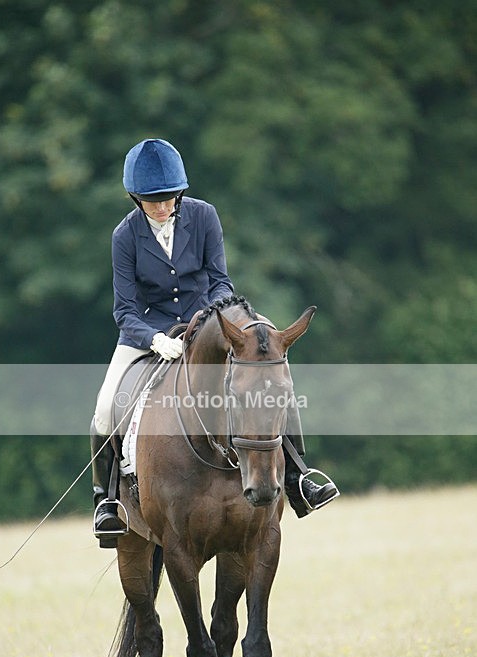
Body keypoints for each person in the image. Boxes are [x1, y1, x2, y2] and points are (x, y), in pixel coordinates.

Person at [91, 138, 337, 547]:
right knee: (104, 407)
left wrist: (210, 322)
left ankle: (298, 477)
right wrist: (154, 338)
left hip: (207, 327)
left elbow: (220, 280)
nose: (162, 207)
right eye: (152, 201)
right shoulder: (125, 235)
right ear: (135, 198)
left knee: (273, 378)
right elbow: (125, 310)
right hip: (148, 334)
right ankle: (106, 500)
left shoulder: (204, 216)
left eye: (168, 198)